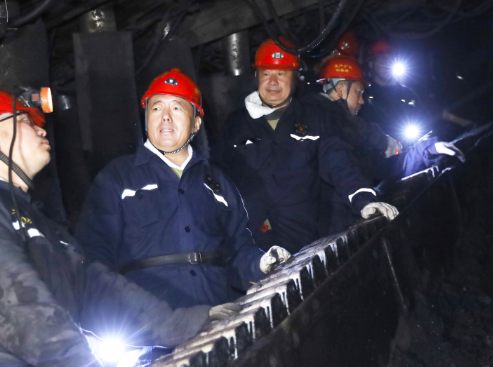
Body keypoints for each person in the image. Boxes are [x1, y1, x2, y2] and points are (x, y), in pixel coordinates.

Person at [0, 87, 225, 367]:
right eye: (25, 121)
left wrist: (185, 323)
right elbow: (9, 298)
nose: (41, 129)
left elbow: (97, 287)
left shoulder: (38, 222)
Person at [75, 69, 290, 310]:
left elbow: (238, 251)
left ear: (196, 123)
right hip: (152, 321)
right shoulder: (118, 178)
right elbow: (94, 256)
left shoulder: (217, 183)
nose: (165, 117)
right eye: (156, 108)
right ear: (146, 120)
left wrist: (262, 263)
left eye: (177, 108)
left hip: (219, 313)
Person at [212, 38, 399, 253]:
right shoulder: (235, 124)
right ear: (256, 76)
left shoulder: (315, 118)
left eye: (281, 73)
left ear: (295, 78)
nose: (273, 82)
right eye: (266, 73)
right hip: (252, 248)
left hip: (304, 244)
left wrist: (364, 200)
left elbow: (339, 162)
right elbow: (217, 177)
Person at [303, 55, 465, 236]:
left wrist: (426, 150)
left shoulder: (349, 135)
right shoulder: (316, 121)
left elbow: (383, 167)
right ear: (341, 89)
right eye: (358, 92)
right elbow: (338, 163)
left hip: (340, 224)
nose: (362, 101)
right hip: (322, 229)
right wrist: (363, 199)